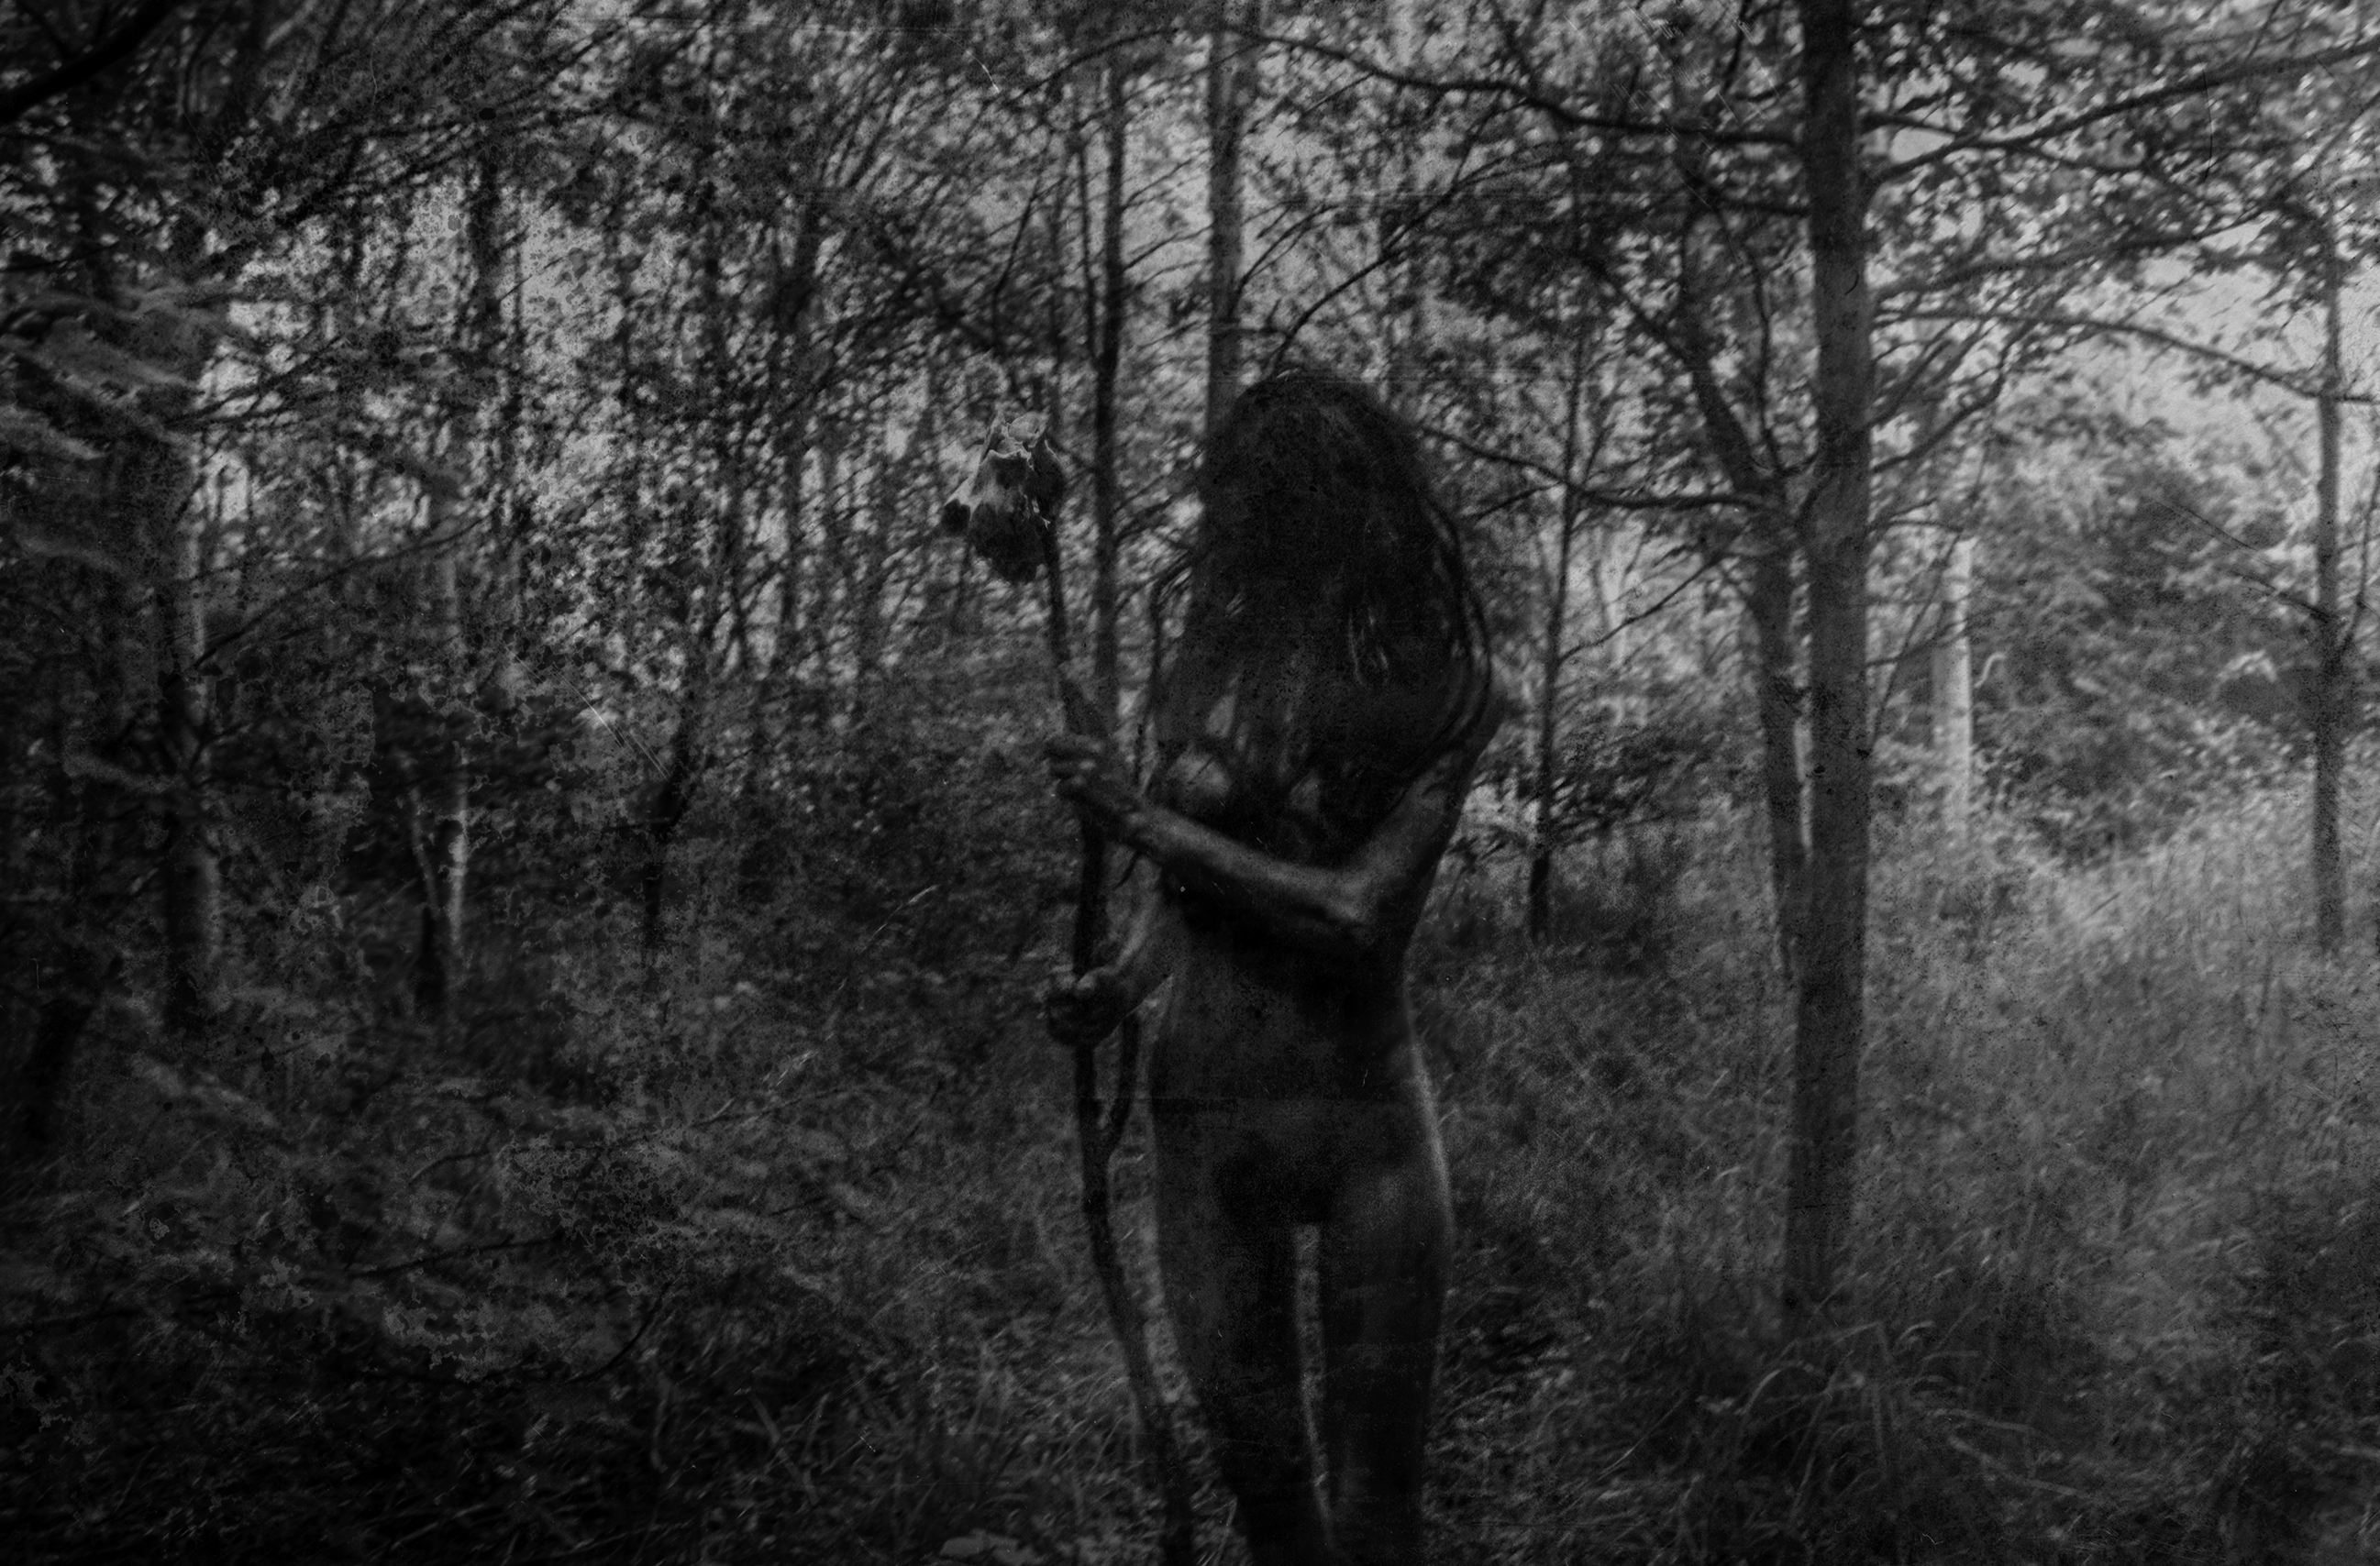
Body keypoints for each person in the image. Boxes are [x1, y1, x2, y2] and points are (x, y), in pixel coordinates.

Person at [1046, 366, 1504, 1566]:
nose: (1236, 537)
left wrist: (1137, 818)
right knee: (1274, 1519)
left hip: (1368, 1132)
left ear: (1342, 513)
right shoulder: (1207, 666)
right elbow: (1184, 898)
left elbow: (1358, 913)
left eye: (1265, 510)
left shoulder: (1446, 686)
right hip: (1208, 1136)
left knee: (1377, 1522)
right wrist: (1118, 984)